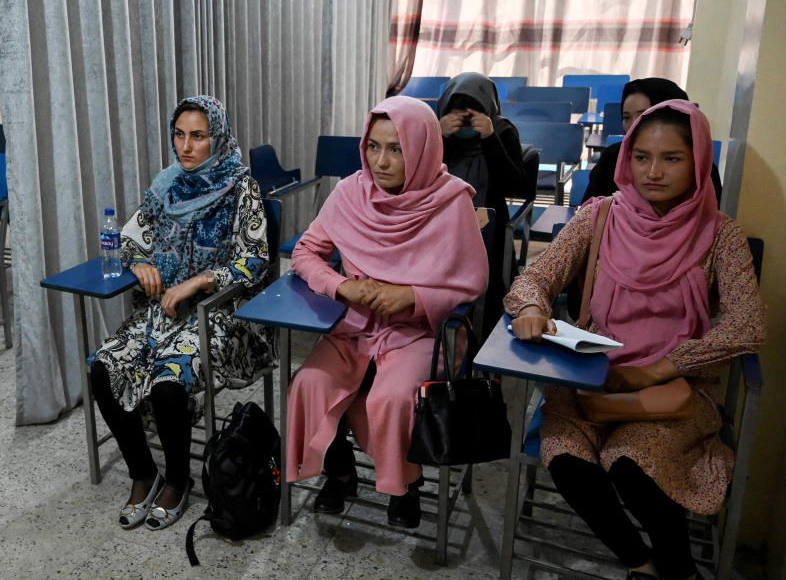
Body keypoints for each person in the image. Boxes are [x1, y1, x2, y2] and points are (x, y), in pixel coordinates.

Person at [506, 101, 766, 580]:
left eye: (671, 158)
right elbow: (536, 277)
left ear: (697, 162)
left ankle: (680, 571)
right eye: (642, 157)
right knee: (568, 461)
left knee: (631, 464)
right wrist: (533, 307)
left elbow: (747, 325)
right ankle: (641, 563)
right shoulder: (598, 214)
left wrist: (659, 369)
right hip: (591, 379)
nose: (653, 172)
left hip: (672, 390)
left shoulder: (721, 235)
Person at [286, 96, 487, 526]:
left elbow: (471, 284)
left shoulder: (450, 203)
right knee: (308, 383)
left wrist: (411, 296)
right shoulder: (350, 192)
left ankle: (405, 484)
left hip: (417, 332)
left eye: (396, 148)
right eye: (373, 147)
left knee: (393, 396)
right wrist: (341, 285)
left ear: (422, 148)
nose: (380, 161)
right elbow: (305, 253)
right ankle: (340, 475)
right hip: (355, 328)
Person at [90, 96, 274, 530]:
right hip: (162, 314)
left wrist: (199, 281)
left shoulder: (240, 186)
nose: (186, 146)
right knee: (104, 368)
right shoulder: (167, 185)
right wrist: (138, 263)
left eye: (198, 136)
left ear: (217, 137)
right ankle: (143, 472)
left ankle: (178, 480)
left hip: (220, 314)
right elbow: (132, 237)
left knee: (169, 383)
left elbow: (256, 258)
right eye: (179, 135)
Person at [436, 72, 527, 337]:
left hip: (489, 222)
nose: (464, 116)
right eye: (457, 108)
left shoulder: (502, 131)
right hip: (439, 222)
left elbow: (515, 185)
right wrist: (440, 136)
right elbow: (420, 178)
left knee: (488, 289)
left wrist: (489, 137)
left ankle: (481, 341)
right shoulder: (434, 129)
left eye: (473, 108)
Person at [581, 78, 722, 203]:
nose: (634, 125)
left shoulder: (701, 166)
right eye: (626, 117)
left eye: (644, 115)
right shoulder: (613, 157)